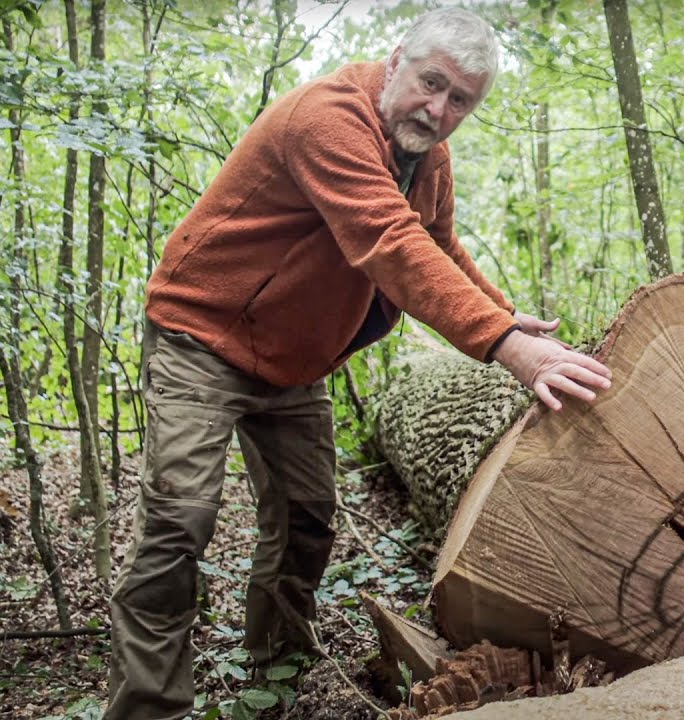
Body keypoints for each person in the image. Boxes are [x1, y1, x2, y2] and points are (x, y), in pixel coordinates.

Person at [104, 8, 611, 719]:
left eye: (460, 99)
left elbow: (438, 246)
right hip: (203, 337)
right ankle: (148, 709)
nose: (438, 109)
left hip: (294, 358)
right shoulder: (327, 119)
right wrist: (510, 349)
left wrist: (504, 314)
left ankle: (274, 672)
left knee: (308, 518)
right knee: (180, 521)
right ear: (397, 59)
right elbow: (388, 241)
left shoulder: (429, 160)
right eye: (431, 83)